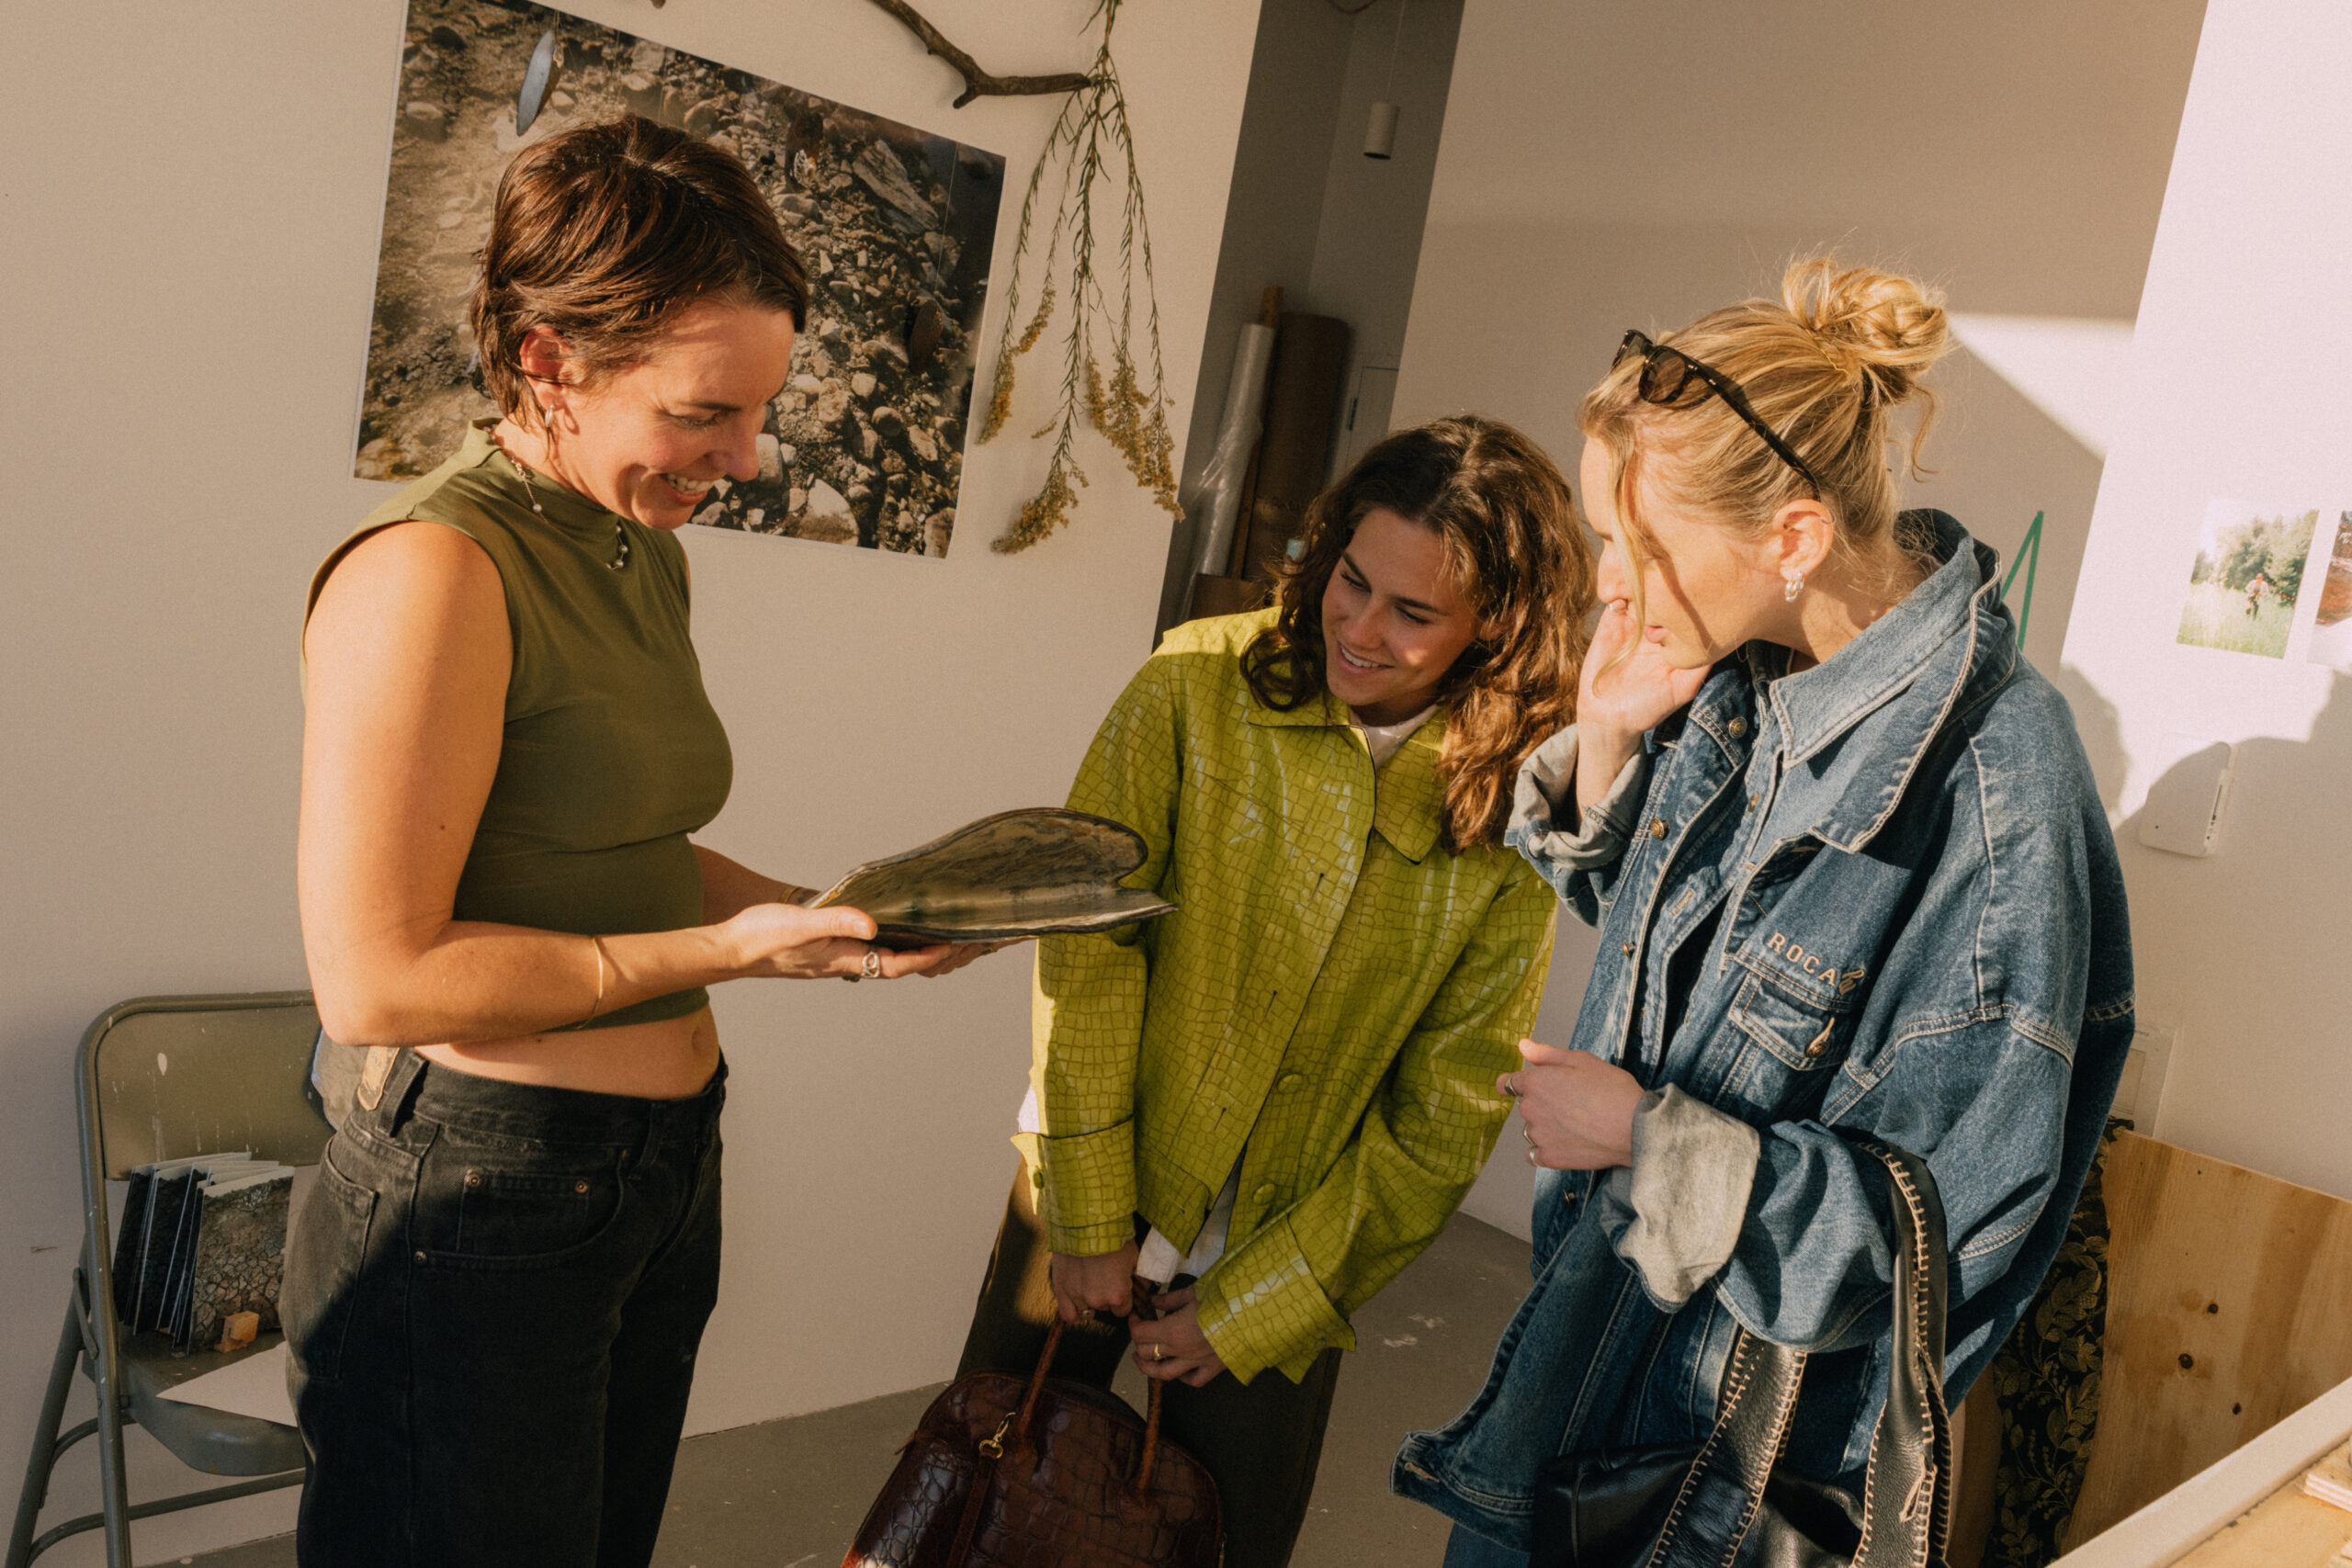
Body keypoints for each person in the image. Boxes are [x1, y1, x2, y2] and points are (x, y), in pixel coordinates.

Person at [288, 116, 986, 1568]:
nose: (743, 455)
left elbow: (630, 841)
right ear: (549, 360)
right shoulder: (432, 573)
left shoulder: (640, 547)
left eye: (758, 412)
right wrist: (733, 954)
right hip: (483, 1196)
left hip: (654, 1171)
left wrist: (831, 915)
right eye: (702, 414)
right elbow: (380, 980)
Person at [1391, 261, 2134, 1564]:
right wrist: (1611, 740)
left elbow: (1936, 1252)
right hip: (1580, 1374)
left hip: (1721, 1482)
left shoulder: (2002, 791)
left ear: (1789, 536)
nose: (1608, 585)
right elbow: (1687, 954)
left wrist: (1644, 1136)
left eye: (1634, 545)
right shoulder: (1753, 674)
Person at [956, 417, 1595, 1566]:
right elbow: (1090, 947)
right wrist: (1093, 1215)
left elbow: (1449, 1104)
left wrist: (1261, 1306)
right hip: (1088, 1190)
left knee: (1223, 1545)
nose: (1358, 628)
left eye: (1412, 613)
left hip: (1289, 1254)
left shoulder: (1511, 805)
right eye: (1352, 581)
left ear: (1492, 624)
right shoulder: (1195, 680)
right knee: (980, 1512)